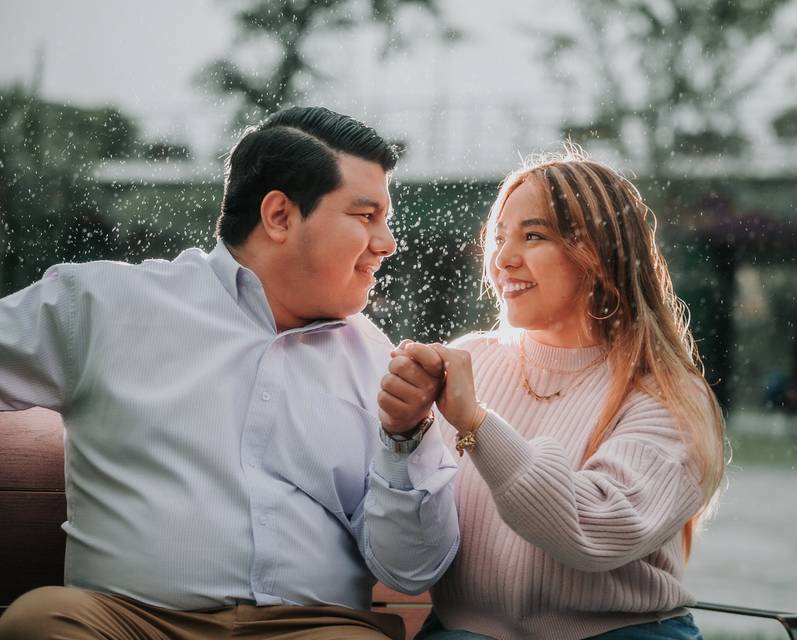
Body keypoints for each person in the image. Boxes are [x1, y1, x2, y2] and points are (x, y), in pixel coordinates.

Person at [0, 106, 459, 640]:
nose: (387, 242)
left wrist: (406, 438)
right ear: (280, 216)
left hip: (312, 629)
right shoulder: (101, 304)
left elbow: (411, 571)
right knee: (39, 620)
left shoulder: (381, 365)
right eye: (365, 216)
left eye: (385, 220)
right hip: (127, 622)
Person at [382, 150, 726, 639]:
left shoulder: (665, 394)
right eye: (499, 238)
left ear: (599, 254)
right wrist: (403, 436)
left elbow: (593, 528)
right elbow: (408, 542)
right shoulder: (469, 360)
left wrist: (477, 425)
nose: (502, 259)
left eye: (533, 235)